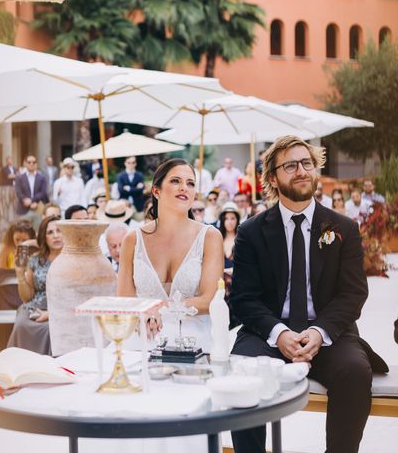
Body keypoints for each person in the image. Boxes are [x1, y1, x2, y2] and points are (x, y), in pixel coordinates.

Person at [229, 135, 387, 453]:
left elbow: (353, 293)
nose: (301, 170)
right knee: (241, 372)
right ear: (272, 177)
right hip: (267, 333)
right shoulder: (251, 232)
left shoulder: (344, 227)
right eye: (290, 165)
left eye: (307, 163)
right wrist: (279, 333)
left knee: (355, 372)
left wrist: (318, 331)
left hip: (329, 333)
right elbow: (244, 298)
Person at [117, 158, 224, 353]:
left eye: (190, 183)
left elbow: (210, 300)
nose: (184, 187)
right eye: (176, 181)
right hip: (140, 340)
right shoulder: (132, 240)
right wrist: (143, 312)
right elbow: (125, 301)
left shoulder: (209, 237)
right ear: (156, 191)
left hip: (193, 344)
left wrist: (159, 307)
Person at [8, 215, 63, 355]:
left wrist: (51, 313)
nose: (56, 236)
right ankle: (22, 369)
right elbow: (27, 297)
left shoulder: (71, 259)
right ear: (44, 237)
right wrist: (20, 274)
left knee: (49, 329)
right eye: (50, 232)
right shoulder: (35, 259)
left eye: (59, 230)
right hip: (35, 306)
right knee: (21, 325)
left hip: (60, 308)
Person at [14, 154, 49, 229]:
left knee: (37, 232)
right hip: (23, 209)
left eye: (33, 162)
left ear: (36, 164)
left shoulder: (42, 177)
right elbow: (18, 192)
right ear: (25, 163)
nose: (31, 164)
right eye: (29, 162)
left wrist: (33, 201)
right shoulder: (20, 177)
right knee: (23, 232)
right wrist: (25, 200)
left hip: (38, 209)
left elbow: (43, 192)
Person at [218, 202, 240, 293]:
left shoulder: (242, 239)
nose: (229, 222)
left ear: (237, 220)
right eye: (226, 218)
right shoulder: (217, 238)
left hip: (238, 284)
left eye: (232, 218)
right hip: (219, 285)